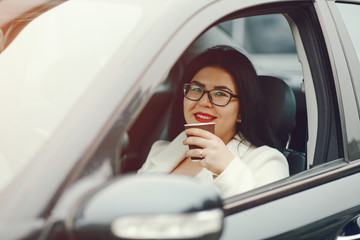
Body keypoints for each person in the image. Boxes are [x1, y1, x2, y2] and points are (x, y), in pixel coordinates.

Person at [138, 45, 289, 198]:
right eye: (196, 89)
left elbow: (265, 219)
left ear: (241, 112)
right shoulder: (159, 151)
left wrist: (226, 168)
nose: (204, 102)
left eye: (220, 94)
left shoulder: (267, 162)